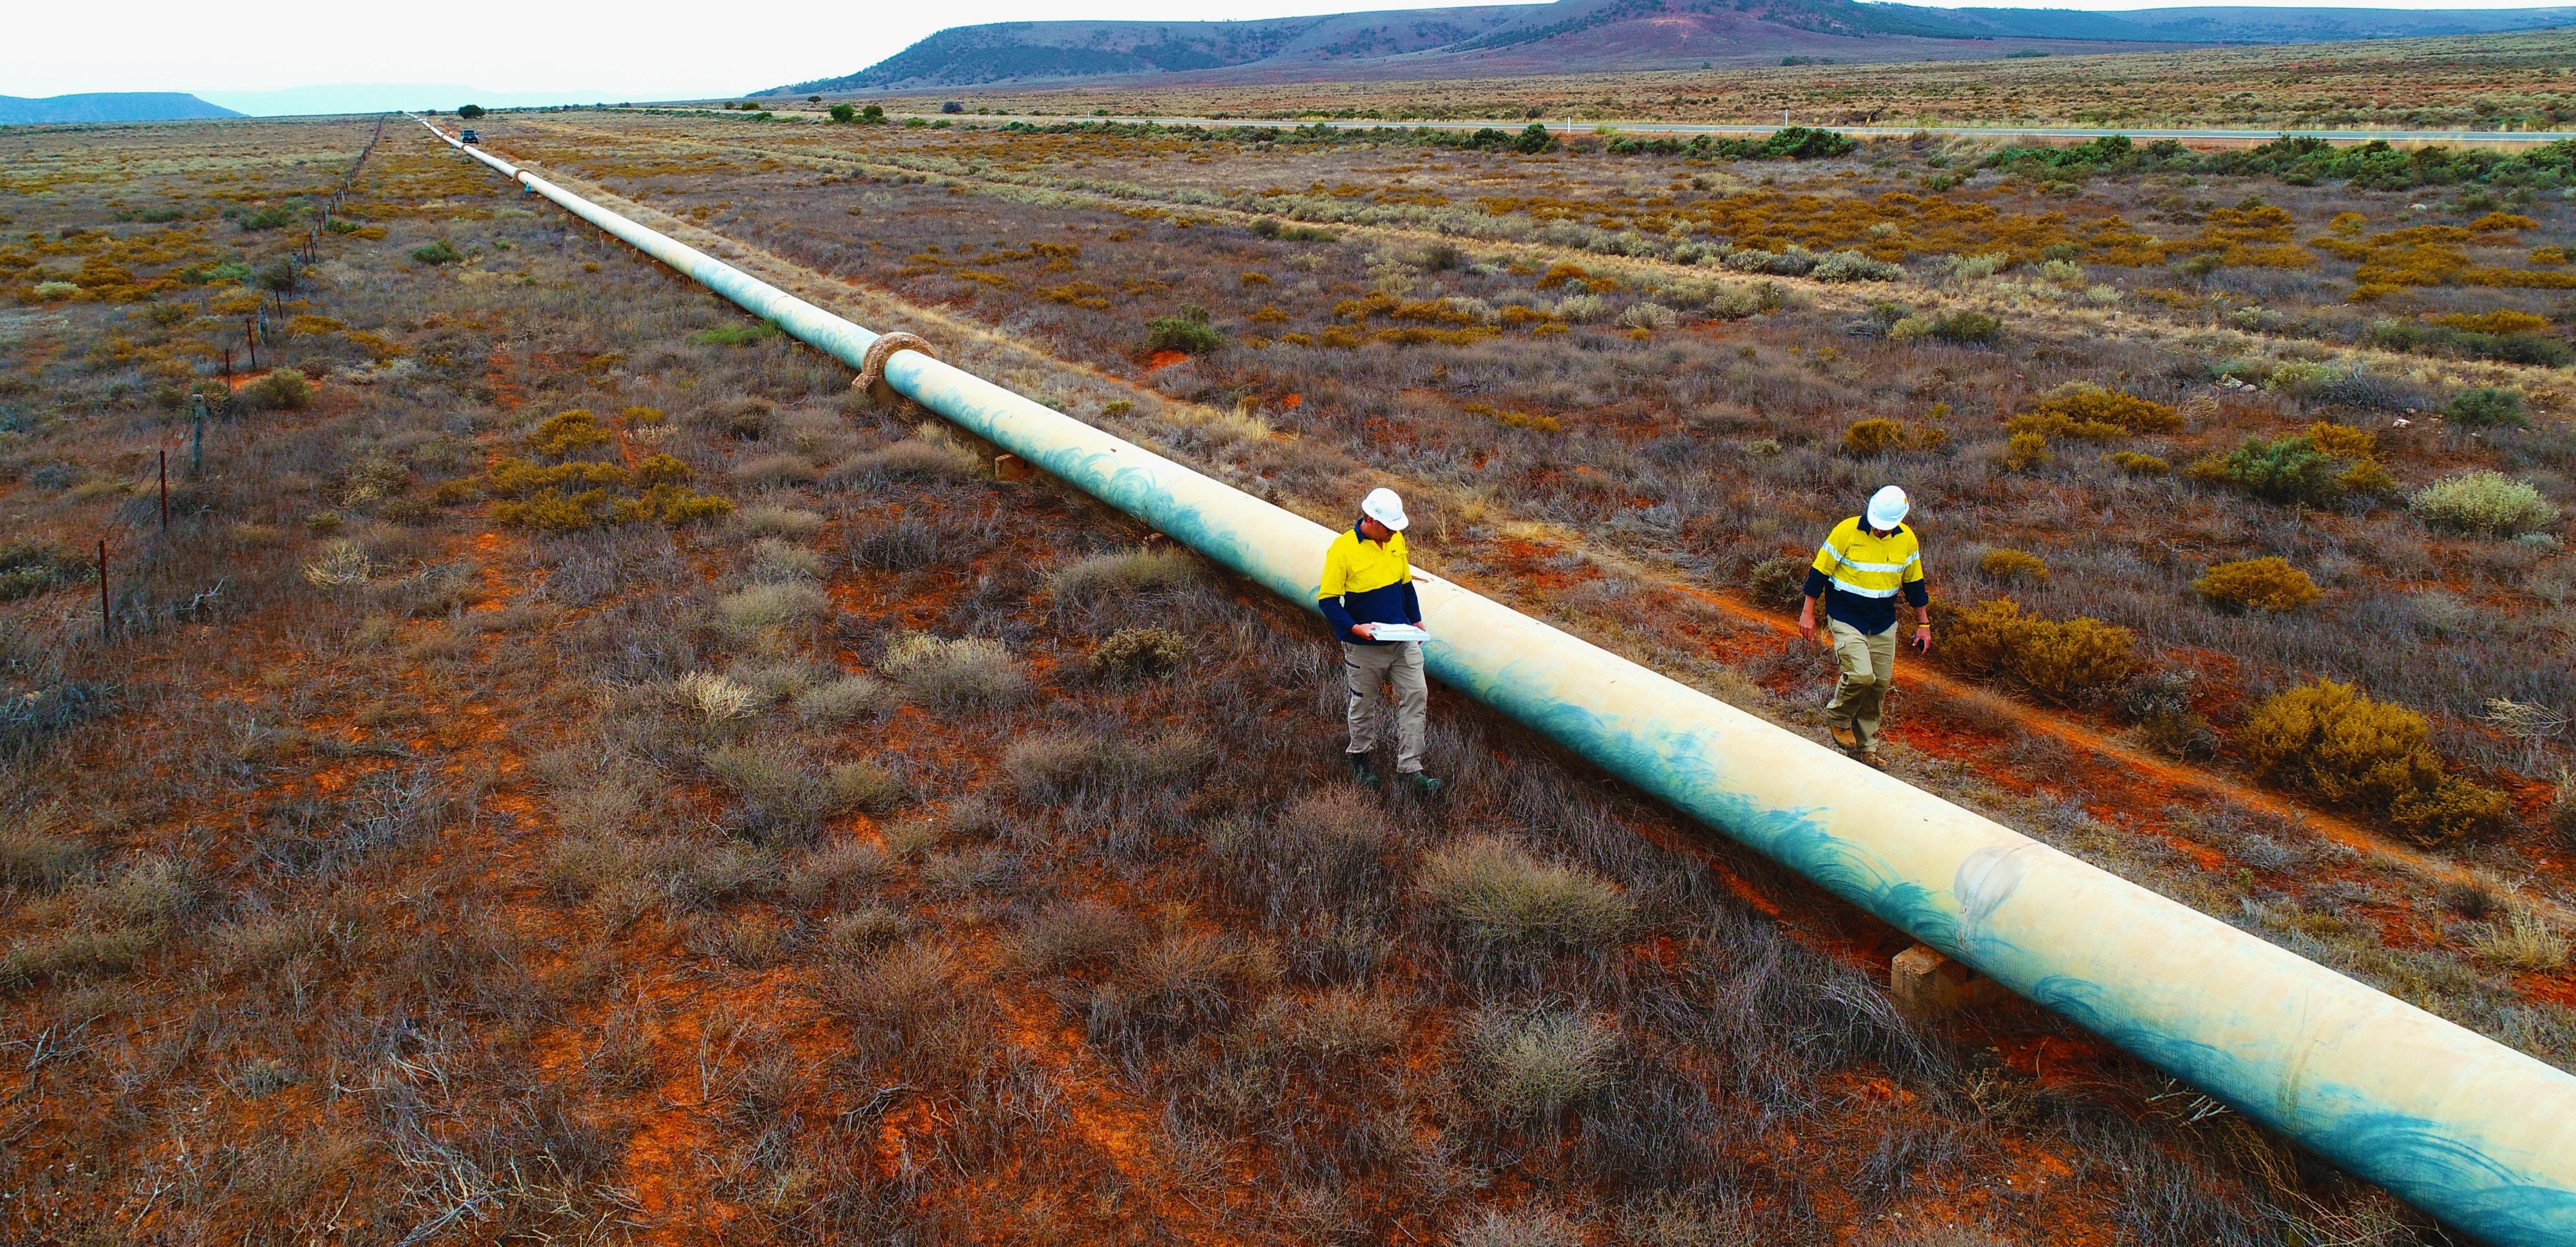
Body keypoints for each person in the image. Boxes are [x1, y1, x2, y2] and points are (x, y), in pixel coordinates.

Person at [1319, 488, 1442, 794]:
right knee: (1364, 703)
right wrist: (1355, 628)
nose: (1394, 533)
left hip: (1402, 640)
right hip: (1364, 648)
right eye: (1390, 527)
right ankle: (1360, 758)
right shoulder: (1342, 550)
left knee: (1416, 695)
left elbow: (1405, 585)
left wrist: (1415, 619)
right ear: (1371, 520)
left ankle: (1410, 769)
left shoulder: (1395, 540)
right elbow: (1328, 601)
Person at [1799, 485, 1931, 770]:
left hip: (1883, 621)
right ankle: (1838, 716)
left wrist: (1924, 623)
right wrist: (1808, 611)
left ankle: (1865, 749)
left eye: (1886, 527)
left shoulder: (1907, 540)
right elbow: (1819, 572)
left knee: (1879, 685)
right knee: (1861, 676)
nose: (1880, 530)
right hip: (1846, 615)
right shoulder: (1846, 531)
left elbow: (1914, 585)